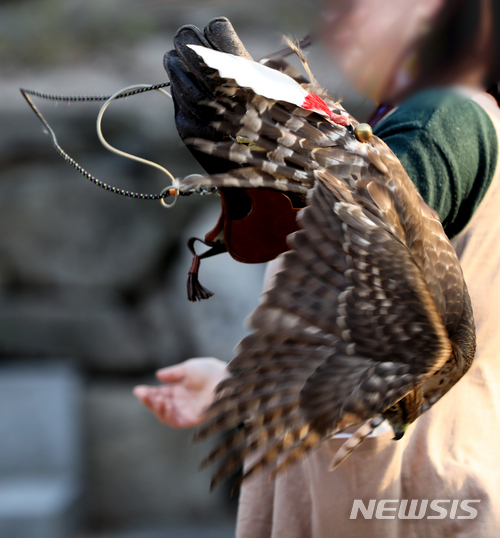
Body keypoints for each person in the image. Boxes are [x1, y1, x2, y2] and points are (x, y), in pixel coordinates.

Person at [135, 0, 500, 534]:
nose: (339, 17)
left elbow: (381, 234)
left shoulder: (448, 113)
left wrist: (279, 140)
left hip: (404, 505)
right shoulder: (412, 123)